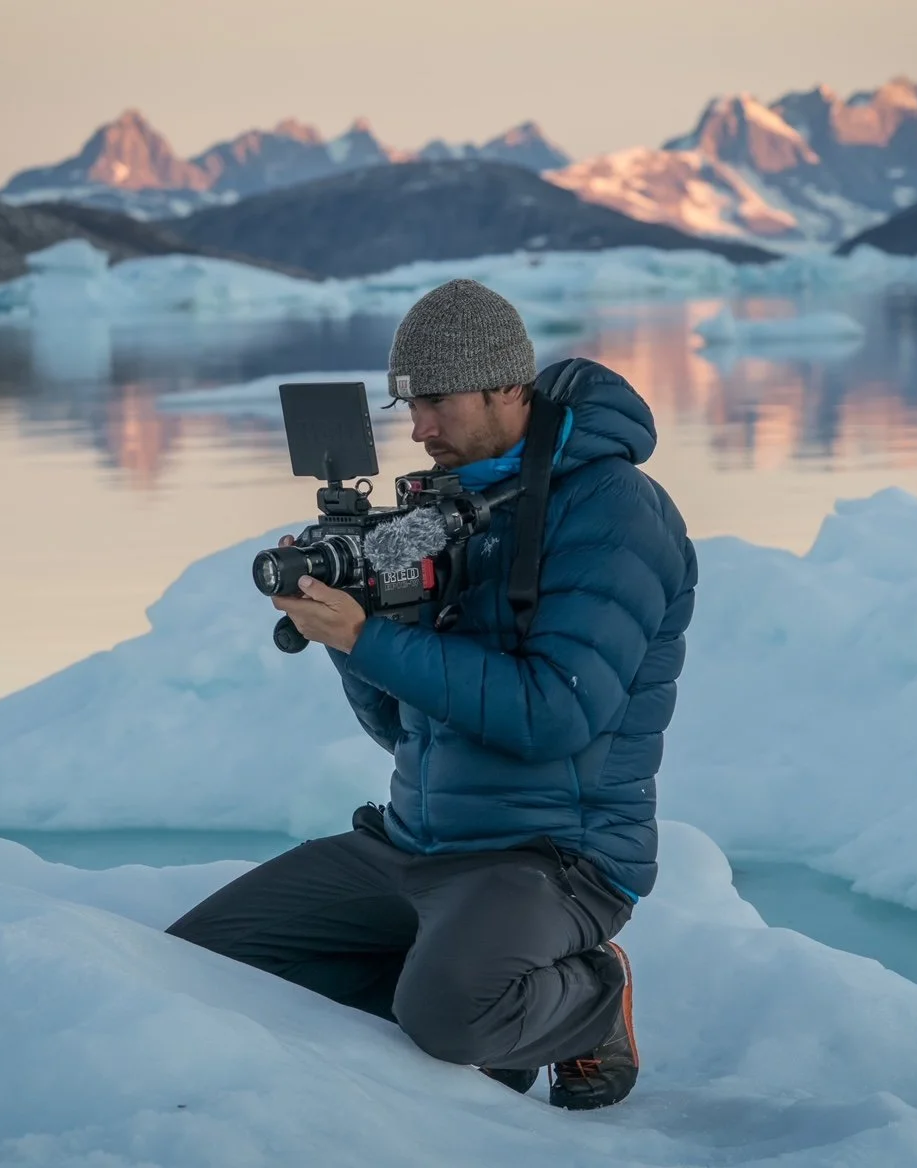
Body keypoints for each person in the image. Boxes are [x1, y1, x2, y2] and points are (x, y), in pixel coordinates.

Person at [167, 278, 696, 1110]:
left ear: (506, 387)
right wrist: (348, 625)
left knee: (449, 1015)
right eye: (407, 407)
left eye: (437, 403)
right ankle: (475, 997)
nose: (417, 431)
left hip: (552, 859)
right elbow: (398, 727)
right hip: (415, 844)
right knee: (200, 963)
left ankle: (585, 1002)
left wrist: (368, 637)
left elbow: (554, 714)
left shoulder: (614, 511)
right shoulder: (449, 509)